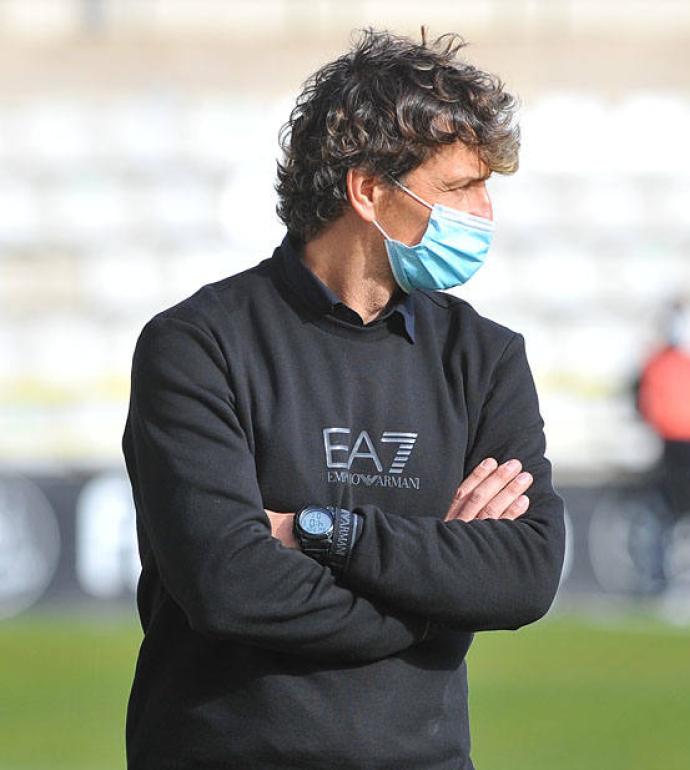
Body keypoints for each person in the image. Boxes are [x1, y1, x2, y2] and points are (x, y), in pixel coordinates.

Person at [120, 28, 565, 769]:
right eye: (460, 188)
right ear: (367, 191)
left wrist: (321, 533)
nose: (485, 212)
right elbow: (230, 585)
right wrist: (435, 601)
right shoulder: (197, 345)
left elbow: (523, 573)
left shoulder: (486, 357)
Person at [630, 297, 690, 590]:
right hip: (666, 446)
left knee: (689, 513)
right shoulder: (657, 364)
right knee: (664, 511)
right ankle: (662, 577)